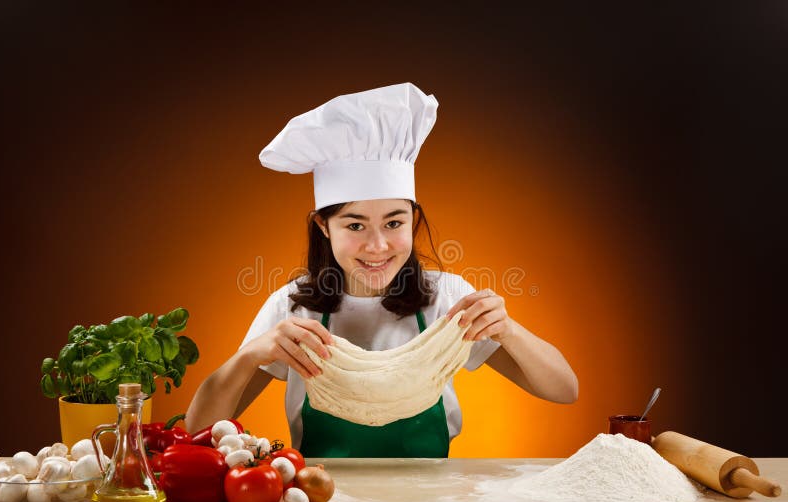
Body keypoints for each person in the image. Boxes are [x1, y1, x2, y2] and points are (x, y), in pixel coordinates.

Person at [185, 83, 578, 457]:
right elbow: (198, 430)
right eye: (355, 225)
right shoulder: (292, 310)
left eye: (394, 223)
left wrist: (508, 329)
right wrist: (252, 354)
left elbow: (564, 389)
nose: (377, 246)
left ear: (413, 219)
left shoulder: (447, 300)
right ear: (324, 227)